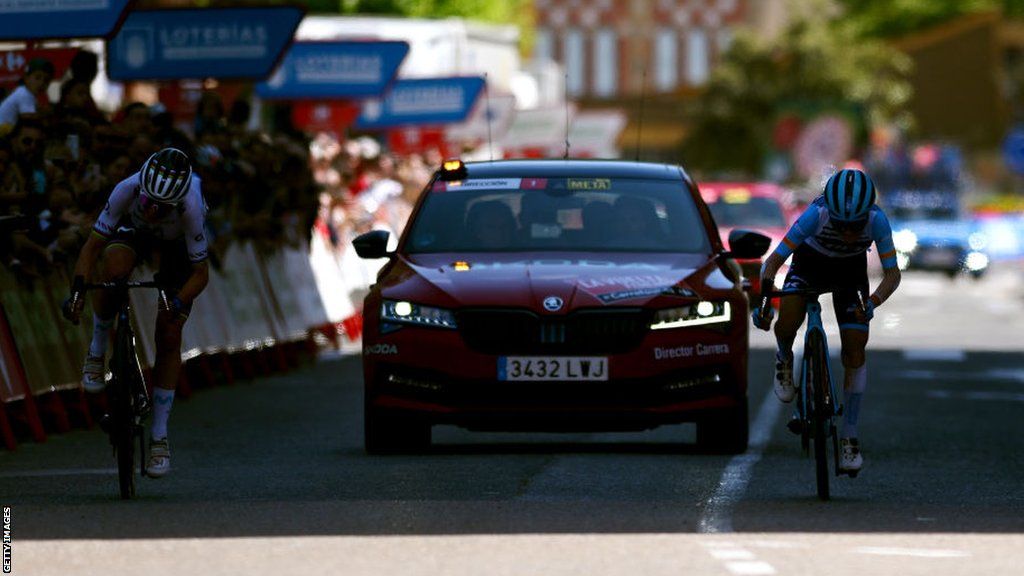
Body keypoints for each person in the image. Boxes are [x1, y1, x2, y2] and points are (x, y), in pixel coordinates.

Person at [63, 148, 210, 479]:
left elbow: (200, 274)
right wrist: (77, 293)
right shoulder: (126, 190)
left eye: (162, 207)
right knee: (113, 273)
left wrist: (175, 303)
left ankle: (159, 435)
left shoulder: (191, 208)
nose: (154, 210)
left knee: (169, 333)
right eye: (149, 202)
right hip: (133, 230)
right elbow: (91, 248)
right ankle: (98, 348)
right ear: (141, 189)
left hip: (176, 247)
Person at [752, 168, 901, 475]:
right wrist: (765, 301)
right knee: (790, 317)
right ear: (830, 212)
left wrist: (872, 303)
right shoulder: (815, 214)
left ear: (866, 215)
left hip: (850, 272)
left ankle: (849, 435)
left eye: (855, 225)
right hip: (810, 264)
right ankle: (784, 357)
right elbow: (773, 262)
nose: (848, 232)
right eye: (842, 224)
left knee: (855, 348)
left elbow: (892, 274)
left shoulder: (877, 220)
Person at [0, 58, 54, 132]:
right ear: (26, 78)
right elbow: (28, 117)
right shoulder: (24, 94)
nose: (41, 83)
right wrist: (47, 113)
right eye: (37, 78)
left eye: (46, 80)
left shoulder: (24, 91)